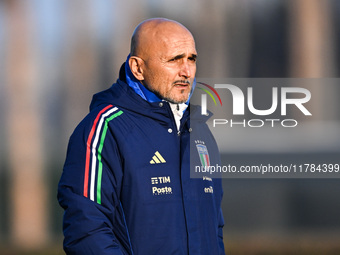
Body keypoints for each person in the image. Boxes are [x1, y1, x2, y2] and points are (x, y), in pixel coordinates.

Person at [58, 18, 225, 255]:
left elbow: (214, 228)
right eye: (174, 59)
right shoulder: (105, 128)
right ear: (138, 68)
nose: (186, 70)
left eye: (191, 58)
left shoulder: (200, 132)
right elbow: (86, 231)